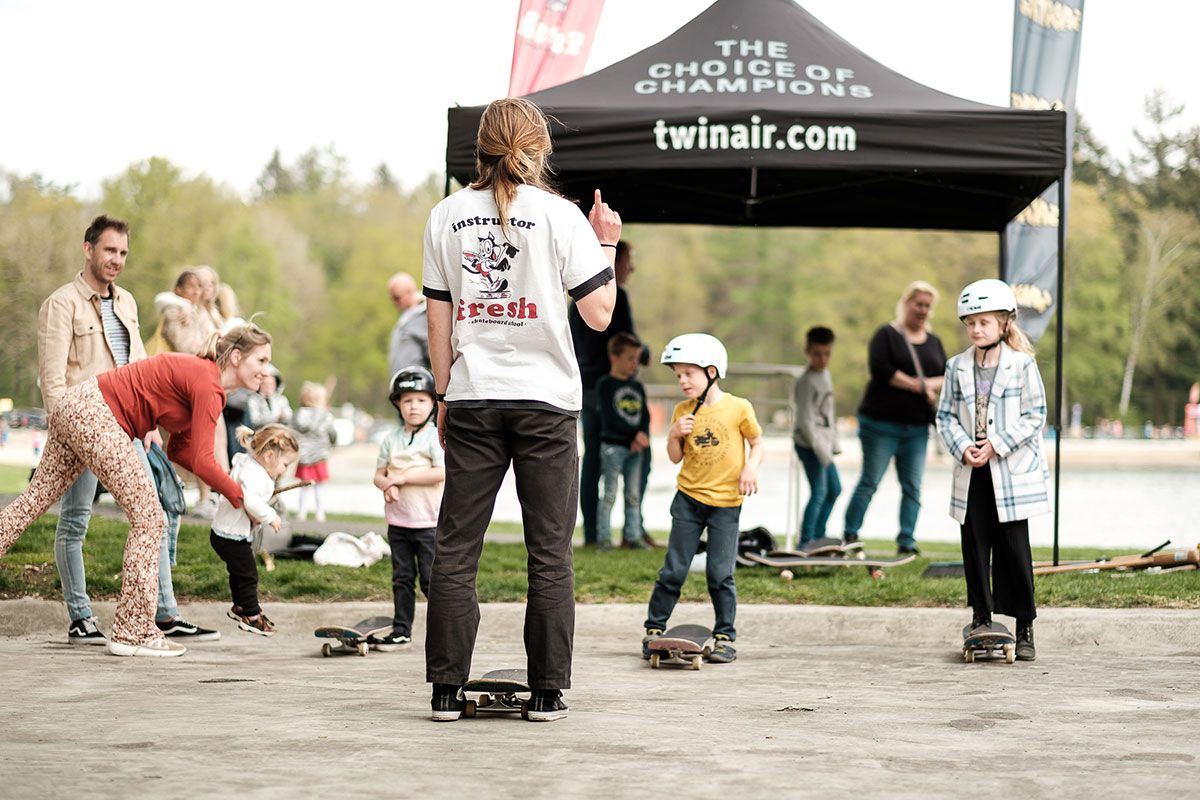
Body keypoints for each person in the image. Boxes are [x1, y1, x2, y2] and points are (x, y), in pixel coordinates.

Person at [421, 97, 618, 723]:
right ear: (540, 150)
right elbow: (600, 314)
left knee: (455, 549)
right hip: (546, 403)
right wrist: (606, 244)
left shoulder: (445, 215)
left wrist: (446, 392)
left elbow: (438, 316)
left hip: (475, 396)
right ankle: (546, 694)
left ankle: (446, 692)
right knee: (550, 551)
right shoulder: (562, 217)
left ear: (478, 150)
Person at [1, 323, 271, 657]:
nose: (266, 370)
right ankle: (133, 630)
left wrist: (238, 496)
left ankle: (134, 628)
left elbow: (181, 453)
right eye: (261, 360)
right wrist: (243, 498)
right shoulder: (207, 382)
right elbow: (202, 459)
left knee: (32, 502)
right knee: (149, 518)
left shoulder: (207, 384)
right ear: (237, 357)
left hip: (76, 406)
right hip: (99, 415)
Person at [34, 215, 217, 647]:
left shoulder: (128, 303)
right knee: (76, 519)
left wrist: (150, 425)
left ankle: (164, 612)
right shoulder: (61, 304)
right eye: (109, 250)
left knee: (149, 512)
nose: (116, 260)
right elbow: (53, 379)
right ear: (88, 249)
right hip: (83, 425)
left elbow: (140, 366)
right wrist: (68, 429)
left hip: (129, 424)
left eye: (123, 253)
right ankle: (81, 617)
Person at [936, 279, 1050, 661]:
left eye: (983, 322)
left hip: (1008, 469)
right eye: (970, 323)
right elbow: (946, 416)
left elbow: (1036, 415)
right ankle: (980, 618)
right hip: (972, 471)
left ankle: (1025, 627)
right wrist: (963, 446)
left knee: (1014, 549)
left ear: (1004, 323)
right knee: (974, 545)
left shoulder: (1022, 365)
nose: (975, 329)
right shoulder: (956, 367)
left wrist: (997, 445)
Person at [642, 334, 764, 665]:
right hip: (688, 500)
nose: (682, 381)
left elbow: (757, 443)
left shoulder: (739, 407)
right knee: (674, 568)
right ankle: (654, 629)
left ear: (711, 372)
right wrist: (673, 435)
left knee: (719, 573)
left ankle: (724, 634)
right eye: (678, 375)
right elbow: (674, 458)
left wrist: (750, 469)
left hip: (726, 502)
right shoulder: (682, 411)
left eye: (688, 374)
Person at [843, 281, 947, 555]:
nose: (922, 310)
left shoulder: (934, 342)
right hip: (880, 424)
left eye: (927, 305)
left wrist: (926, 386)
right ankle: (850, 534)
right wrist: (918, 385)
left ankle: (907, 541)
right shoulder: (887, 335)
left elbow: (947, 376)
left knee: (912, 486)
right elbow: (881, 370)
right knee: (870, 481)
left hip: (916, 428)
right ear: (906, 304)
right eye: (918, 304)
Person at [569, 239, 644, 547]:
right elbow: (626, 340)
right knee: (637, 456)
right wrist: (644, 353)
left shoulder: (576, 299)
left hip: (584, 387)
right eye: (628, 260)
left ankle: (592, 534)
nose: (632, 267)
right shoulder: (617, 297)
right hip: (612, 391)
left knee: (592, 463)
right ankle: (631, 532)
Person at [372, 367, 445, 649]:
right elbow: (379, 474)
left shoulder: (434, 437)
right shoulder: (391, 440)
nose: (414, 406)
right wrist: (387, 485)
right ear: (397, 404)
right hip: (398, 523)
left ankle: (443, 631)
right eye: (407, 401)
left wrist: (402, 477)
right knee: (402, 579)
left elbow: (440, 473)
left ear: (432, 404)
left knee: (430, 581)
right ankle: (401, 629)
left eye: (421, 400)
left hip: (428, 523)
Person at [210, 424, 298, 636]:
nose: (284, 470)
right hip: (231, 535)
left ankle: (240, 605)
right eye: (285, 464)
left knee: (237, 570)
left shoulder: (246, 462)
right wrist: (271, 516)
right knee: (249, 575)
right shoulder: (256, 475)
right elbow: (250, 502)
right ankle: (252, 615)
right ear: (269, 456)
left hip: (222, 532)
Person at [594, 332, 650, 549]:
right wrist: (631, 436)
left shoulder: (637, 387)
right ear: (614, 357)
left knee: (633, 495)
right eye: (630, 358)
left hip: (636, 449)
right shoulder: (605, 385)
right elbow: (609, 417)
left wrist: (642, 434)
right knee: (609, 494)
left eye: (637, 359)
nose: (634, 364)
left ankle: (632, 536)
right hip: (613, 447)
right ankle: (604, 539)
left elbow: (644, 416)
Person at [792, 326, 842, 547]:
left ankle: (819, 536)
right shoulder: (805, 381)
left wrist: (834, 443)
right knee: (820, 491)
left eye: (827, 353)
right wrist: (823, 454)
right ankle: (806, 541)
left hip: (824, 443)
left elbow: (828, 413)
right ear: (808, 352)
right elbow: (805, 422)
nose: (822, 359)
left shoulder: (826, 375)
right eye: (817, 354)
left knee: (835, 489)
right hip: (809, 444)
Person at [292, 381, 337, 521]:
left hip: (304, 456)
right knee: (319, 487)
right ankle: (320, 512)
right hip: (320, 455)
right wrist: (334, 443)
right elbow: (332, 433)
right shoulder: (325, 415)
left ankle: (301, 512)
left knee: (304, 486)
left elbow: (295, 428)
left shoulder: (299, 414)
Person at [145, 268, 205, 356]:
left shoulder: (193, 310)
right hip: (170, 364)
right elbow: (182, 345)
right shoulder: (174, 310)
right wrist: (204, 350)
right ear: (178, 289)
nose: (196, 291)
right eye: (191, 286)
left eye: (199, 286)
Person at [387, 272, 430, 374]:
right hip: (401, 384)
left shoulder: (424, 315)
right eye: (392, 298)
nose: (394, 302)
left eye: (397, 297)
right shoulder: (408, 317)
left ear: (410, 292)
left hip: (418, 382)